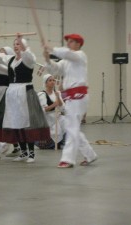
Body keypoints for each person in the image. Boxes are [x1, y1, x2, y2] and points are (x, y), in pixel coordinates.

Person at [0, 34, 50, 163]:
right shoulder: (10, 59)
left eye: (18, 44)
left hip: (25, 92)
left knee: (27, 123)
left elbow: (28, 55)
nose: (16, 46)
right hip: (12, 92)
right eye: (14, 44)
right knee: (15, 122)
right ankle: (23, 151)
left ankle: (31, 153)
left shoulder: (28, 60)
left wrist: (22, 42)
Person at [43, 33, 97, 168]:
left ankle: (67, 159)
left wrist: (52, 49)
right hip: (71, 98)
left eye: (72, 41)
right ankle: (90, 155)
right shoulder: (66, 61)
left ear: (78, 44)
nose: (68, 43)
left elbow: (67, 54)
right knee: (72, 128)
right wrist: (48, 59)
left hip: (79, 96)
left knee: (71, 127)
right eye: (68, 41)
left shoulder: (80, 55)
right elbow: (55, 69)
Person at [36, 74, 65, 149]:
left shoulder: (57, 93)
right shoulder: (42, 94)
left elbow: (63, 108)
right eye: (50, 80)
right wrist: (54, 105)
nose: (52, 82)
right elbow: (43, 110)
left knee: (67, 123)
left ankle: (63, 143)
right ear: (45, 83)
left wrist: (58, 97)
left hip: (57, 117)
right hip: (48, 119)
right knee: (55, 133)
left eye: (53, 80)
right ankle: (54, 143)